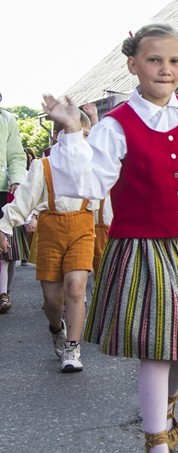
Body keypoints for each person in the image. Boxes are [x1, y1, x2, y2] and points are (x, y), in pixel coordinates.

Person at [38, 23, 178, 453]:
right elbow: (89, 183)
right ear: (133, 64)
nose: (165, 70)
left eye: (174, 61)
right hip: (143, 247)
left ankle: (166, 410)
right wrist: (72, 132)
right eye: (154, 60)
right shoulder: (117, 124)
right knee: (159, 346)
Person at [0, 112, 97, 374]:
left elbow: (109, 199)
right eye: (72, 133)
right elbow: (23, 200)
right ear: (57, 136)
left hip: (82, 227)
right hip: (50, 229)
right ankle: (57, 328)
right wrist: (4, 226)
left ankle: (73, 348)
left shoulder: (93, 163)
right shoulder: (43, 166)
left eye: (84, 135)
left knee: (76, 288)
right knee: (52, 300)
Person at [0, 107, 26, 311]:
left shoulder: (7, 118)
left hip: (1, 189)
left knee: (4, 245)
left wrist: (16, 179)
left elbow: (16, 154)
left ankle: (3, 293)